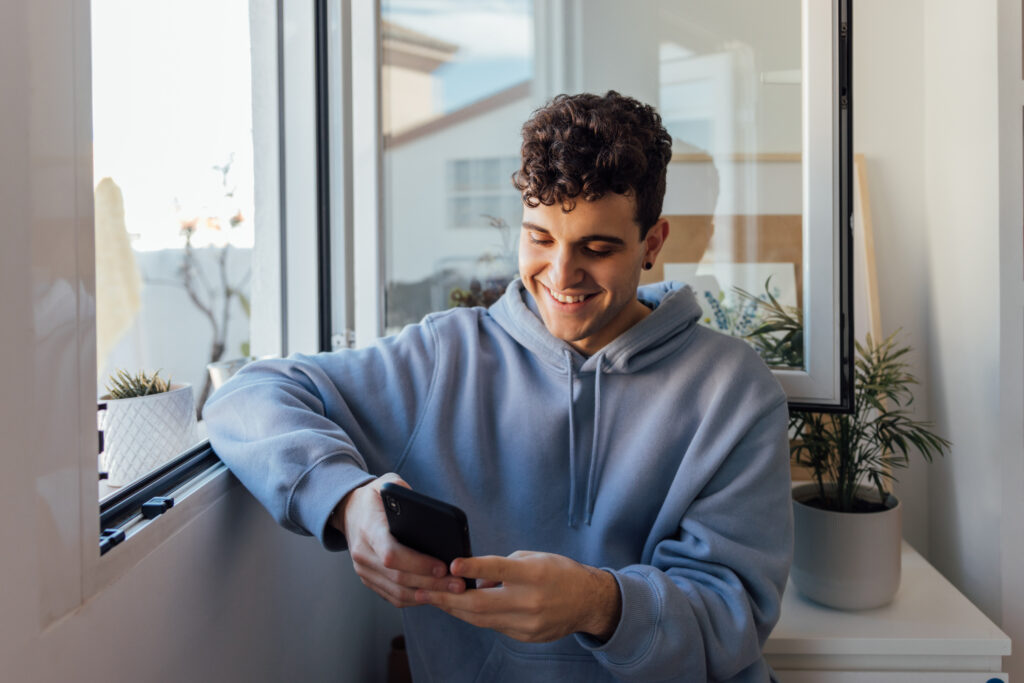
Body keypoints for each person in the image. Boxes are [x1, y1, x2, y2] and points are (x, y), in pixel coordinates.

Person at [204, 91, 793, 682]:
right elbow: (245, 397)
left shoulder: (734, 391)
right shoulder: (444, 358)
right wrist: (346, 502)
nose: (562, 276)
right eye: (540, 239)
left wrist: (598, 605)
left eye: (597, 247)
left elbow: (732, 616)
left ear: (653, 244)